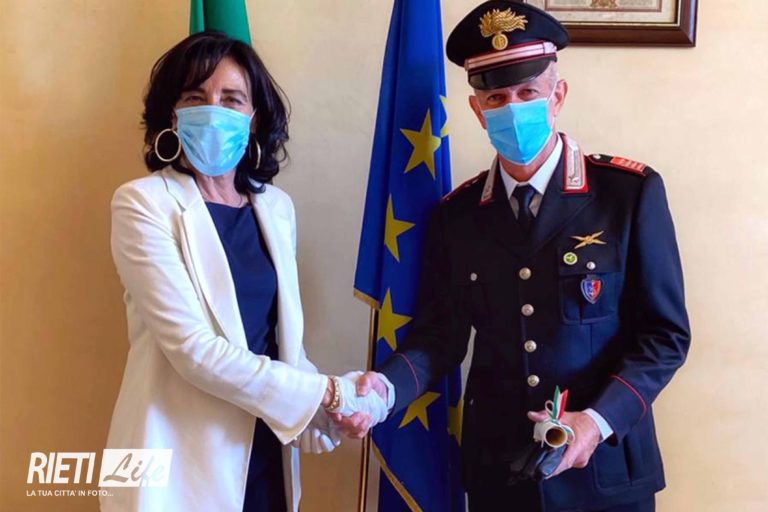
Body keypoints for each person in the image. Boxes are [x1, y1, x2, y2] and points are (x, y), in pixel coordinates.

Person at [336, 2, 691, 511]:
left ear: (557, 96)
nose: (512, 108)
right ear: (477, 110)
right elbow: (439, 337)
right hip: (500, 474)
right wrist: (384, 389)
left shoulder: (627, 195)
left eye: (528, 93)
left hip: (605, 472)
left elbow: (665, 335)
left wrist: (596, 422)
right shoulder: (456, 217)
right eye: (496, 97)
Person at [101, 32, 386, 512]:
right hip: (174, 465)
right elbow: (193, 350)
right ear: (172, 113)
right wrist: (328, 392)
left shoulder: (276, 207)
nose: (214, 110)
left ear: (254, 118)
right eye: (196, 97)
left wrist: (336, 409)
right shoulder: (141, 203)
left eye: (232, 99)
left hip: (266, 455)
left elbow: (280, 346)